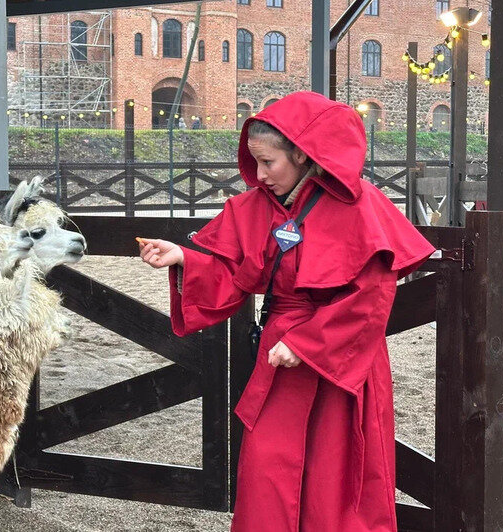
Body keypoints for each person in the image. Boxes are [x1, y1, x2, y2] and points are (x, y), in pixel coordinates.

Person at [137, 91, 434, 531]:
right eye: (254, 162)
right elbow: (234, 271)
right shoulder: (257, 205)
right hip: (279, 352)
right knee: (267, 463)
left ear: (301, 154)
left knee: (336, 470)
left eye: (269, 163)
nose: (258, 175)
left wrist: (308, 344)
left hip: (341, 360)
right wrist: (184, 257)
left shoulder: (362, 206)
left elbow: (372, 298)